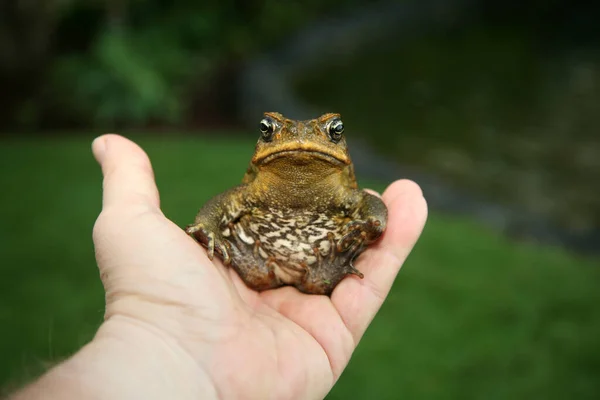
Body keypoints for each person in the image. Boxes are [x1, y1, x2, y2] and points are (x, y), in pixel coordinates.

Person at [11, 134, 428, 400]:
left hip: (321, 267)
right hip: (251, 261)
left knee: (377, 224)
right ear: (261, 147)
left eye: (331, 133)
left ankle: (329, 268)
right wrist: (207, 229)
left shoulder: (343, 192)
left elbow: (372, 211)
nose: (299, 141)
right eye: (271, 131)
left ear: (342, 149)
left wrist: (373, 222)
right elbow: (223, 205)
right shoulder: (255, 188)